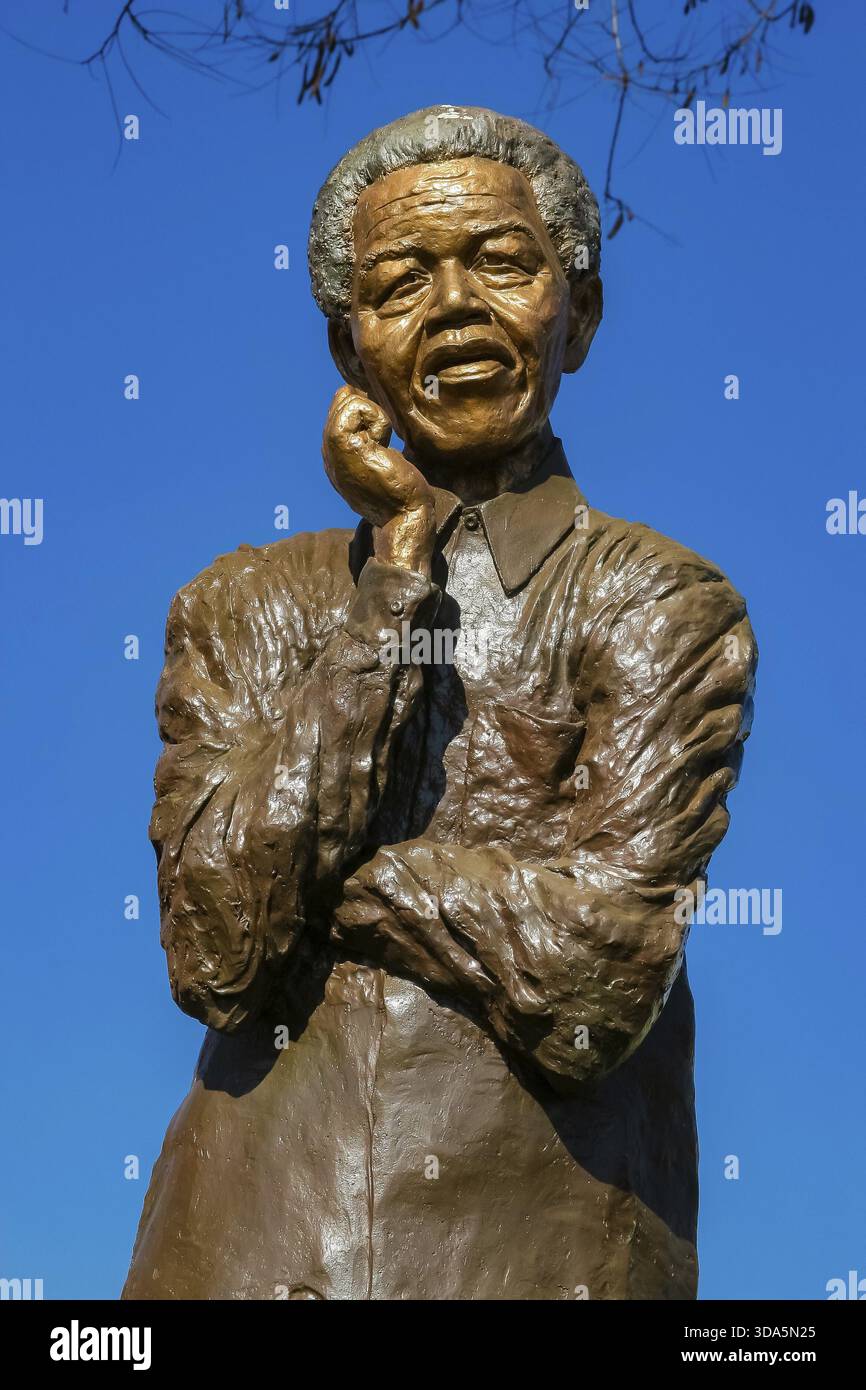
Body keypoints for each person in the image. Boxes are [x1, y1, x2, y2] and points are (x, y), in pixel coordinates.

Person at [123, 104, 756, 1301]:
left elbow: (596, 984)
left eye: (501, 264)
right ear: (348, 348)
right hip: (245, 1251)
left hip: (551, 1258)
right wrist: (395, 581)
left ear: (581, 316)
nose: (453, 305)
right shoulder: (244, 601)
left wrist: (345, 882)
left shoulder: (659, 599)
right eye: (400, 281)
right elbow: (214, 950)